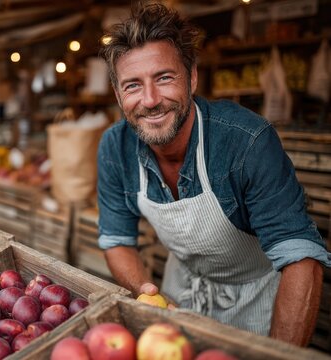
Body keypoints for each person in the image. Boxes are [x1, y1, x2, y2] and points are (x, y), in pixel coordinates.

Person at [97, 2, 329, 347]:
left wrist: (279, 355)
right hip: (181, 295)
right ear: (118, 95)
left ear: (191, 77)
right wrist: (148, 292)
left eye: (164, 78)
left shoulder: (247, 142)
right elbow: (116, 240)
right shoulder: (115, 148)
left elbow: (300, 257)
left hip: (256, 302)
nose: (150, 99)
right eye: (132, 86)